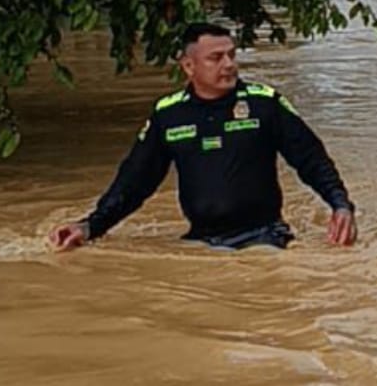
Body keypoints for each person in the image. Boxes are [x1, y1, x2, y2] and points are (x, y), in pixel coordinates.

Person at [49, 23, 358, 252]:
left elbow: (312, 160)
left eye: (232, 55)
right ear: (188, 66)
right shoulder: (168, 115)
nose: (229, 64)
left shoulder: (265, 103)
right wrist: (90, 227)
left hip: (264, 238)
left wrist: (340, 205)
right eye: (216, 58)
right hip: (198, 241)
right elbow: (134, 183)